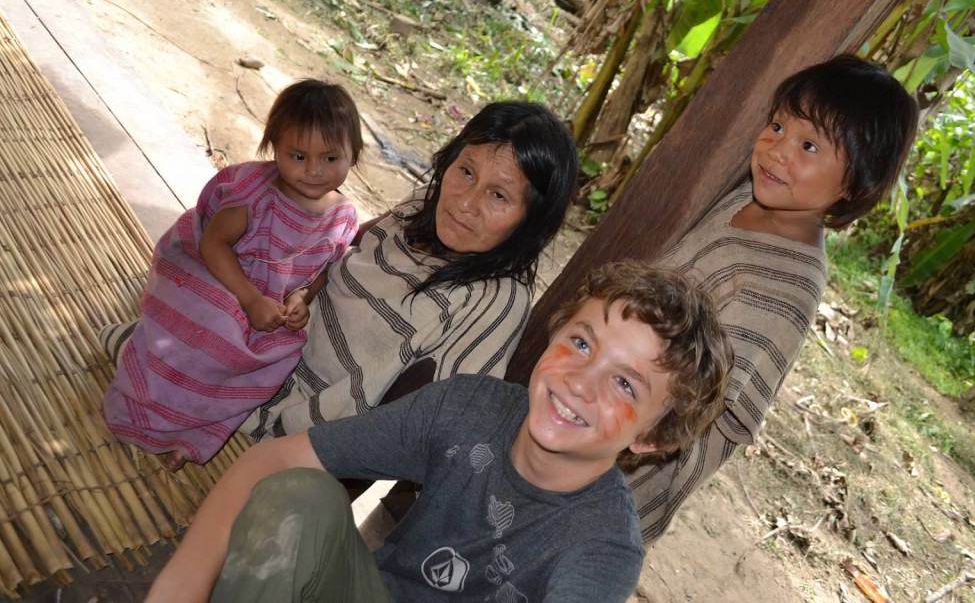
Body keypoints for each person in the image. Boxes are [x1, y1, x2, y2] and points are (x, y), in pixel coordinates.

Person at [142, 260, 733, 603]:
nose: (581, 382)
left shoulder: (600, 548)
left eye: (626, 385)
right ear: (554, 337)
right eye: (581, 343)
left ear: (651, 440)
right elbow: (268, 462)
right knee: (298, 496)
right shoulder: (470, 410)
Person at [626, 54, 919, 543]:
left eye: (808, 145)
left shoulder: (787, 290)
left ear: (856, 183)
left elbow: (704, 412)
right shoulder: (747, 195)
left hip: (628, 464)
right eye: (778, 125)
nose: (776, 150)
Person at [241, 101, 578, 439]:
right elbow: (340, 247)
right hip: (259, 353)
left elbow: (438, 424)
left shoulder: (494, 298)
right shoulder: (423, 206)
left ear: (530, 220)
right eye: (466, 171)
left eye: (499, 195)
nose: (464, 203)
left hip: (290, 428)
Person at [102, 79, 362, 469]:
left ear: (352, 155)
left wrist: (300, 298)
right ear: (274, 149)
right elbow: (213, 244)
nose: (312, 171)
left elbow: (321, 271)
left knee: (275, 359)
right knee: (212, 331)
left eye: (329, 158)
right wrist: (250, 299)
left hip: (265, 305)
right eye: (297, 156)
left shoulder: (344, 217)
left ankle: (191, 435)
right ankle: (142, 386)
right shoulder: (257, 194)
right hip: (215, 274)